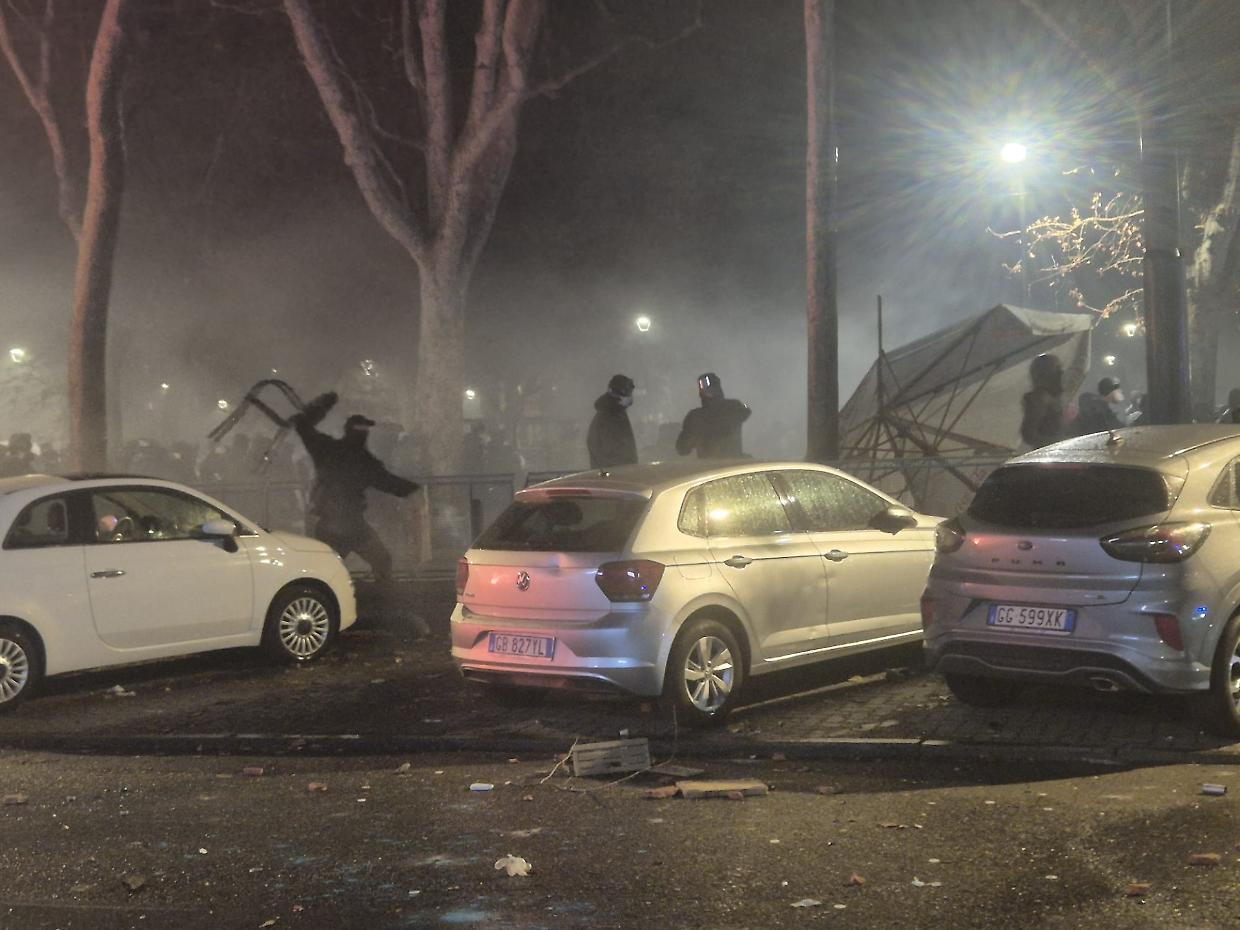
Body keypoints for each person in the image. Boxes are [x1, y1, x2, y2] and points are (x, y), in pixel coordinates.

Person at [291, 392, 427, 636]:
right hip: (350, 526)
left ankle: (325, 609)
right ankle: (381, 608)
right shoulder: (363, 460)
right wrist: (413, 489)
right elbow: (390, 482)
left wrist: (320, 407)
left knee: (324, 572)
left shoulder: (326, 449)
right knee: (381, 561)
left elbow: (302, 425)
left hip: (333, 525)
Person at [676, 372, 751, 459]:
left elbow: (682, 449)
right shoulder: (733, 407)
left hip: (713, 469)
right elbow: (682, 448)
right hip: (730, 468)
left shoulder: (696, 417)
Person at [587, 374, 638, 468]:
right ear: (621, 396)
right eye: (630, 393)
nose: (632, 397)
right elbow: (612, 456)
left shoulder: (614, 414)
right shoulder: (610, 418)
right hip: (615, 478)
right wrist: (627, 473)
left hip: (615, 477)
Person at [1019, 354, 1068, 449]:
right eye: (1057, 368)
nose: (1061, 372)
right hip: (1047, 456)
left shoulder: (1051, 397)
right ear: (1045, 372)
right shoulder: (1040, 398)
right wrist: (1058, 442)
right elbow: (1028, 434)